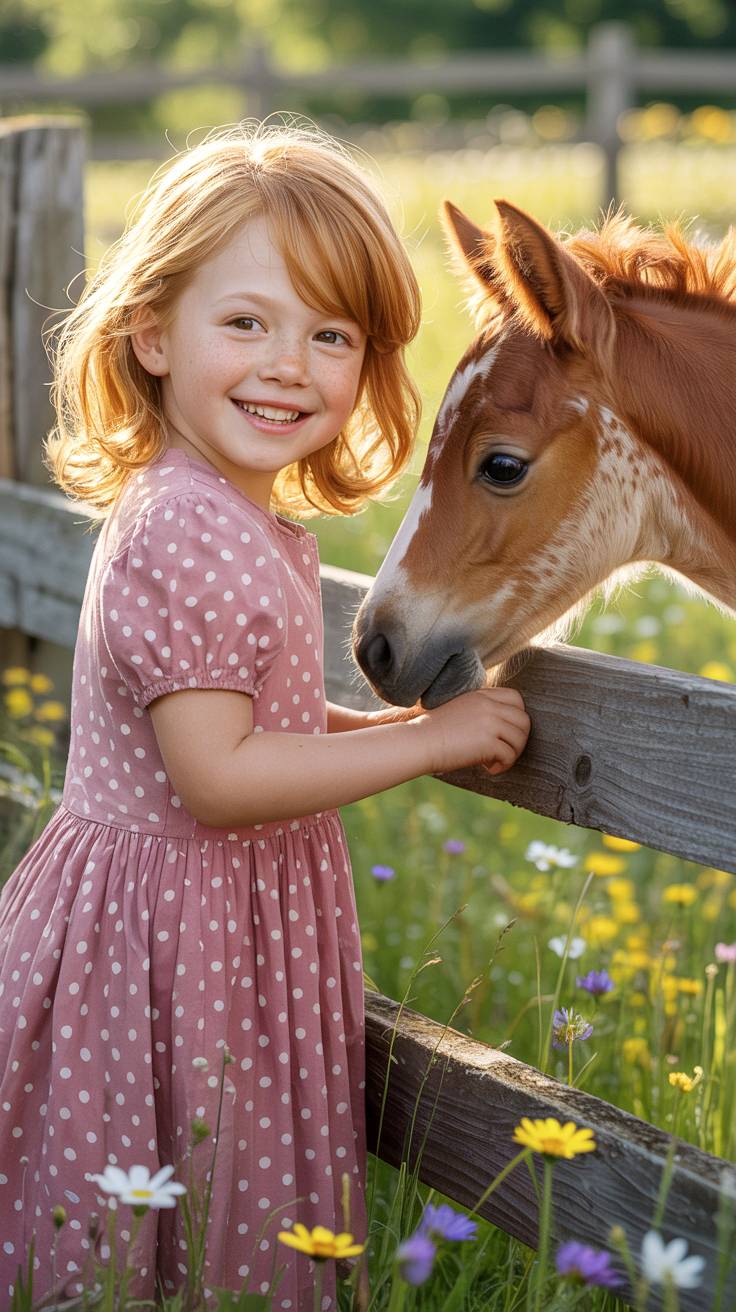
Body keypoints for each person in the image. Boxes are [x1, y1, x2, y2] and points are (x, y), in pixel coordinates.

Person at [0, 121, 530, 1310]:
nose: (289, 365)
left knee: (198, 1220)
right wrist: (427, 740)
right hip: (163, 943)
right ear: (151, 332)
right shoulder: (190, 530)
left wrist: (391, 735)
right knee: (160, 1226)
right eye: (246, 323)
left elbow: (261, 723)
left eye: (329, 334)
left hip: (201, 926)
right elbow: (219, 778)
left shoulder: (229, 516)